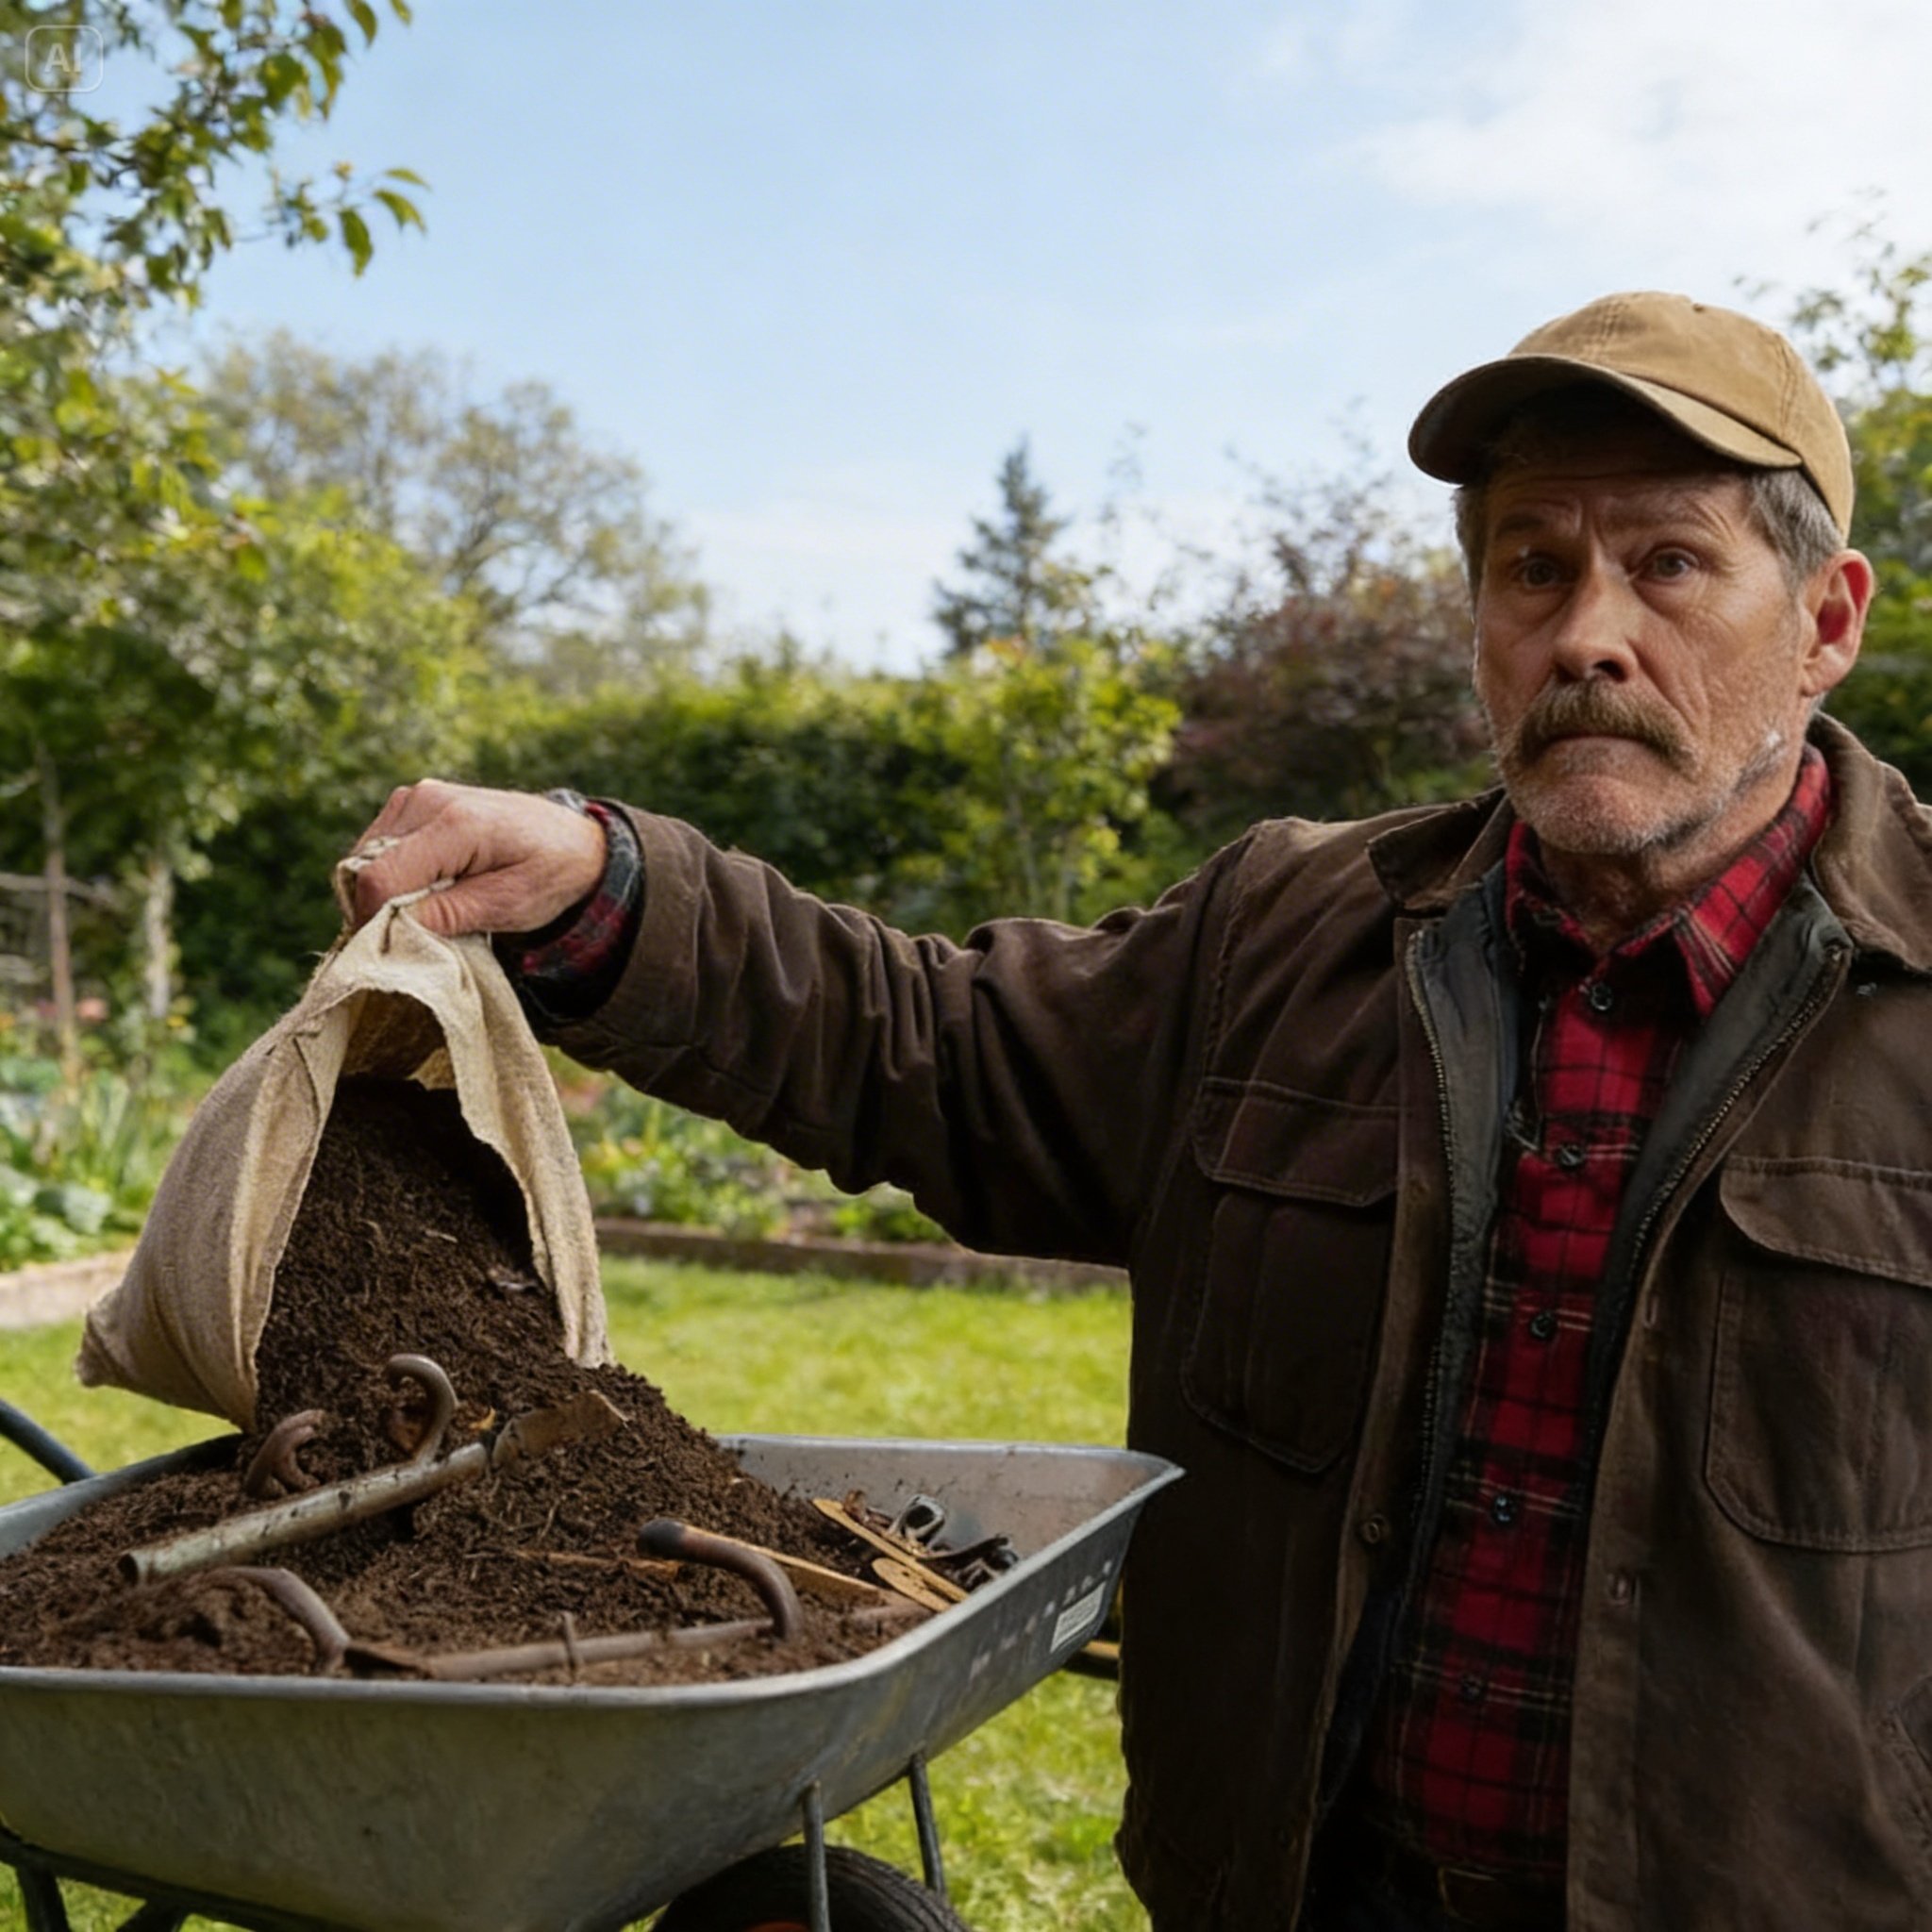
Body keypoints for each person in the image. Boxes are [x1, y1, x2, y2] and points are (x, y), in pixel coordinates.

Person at [344, 291, 1932, 1932]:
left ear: (1824, 622)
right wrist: (608, 888)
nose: (1588, 629)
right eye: (1534, 566)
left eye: (1669, 564)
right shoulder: (1286, 936)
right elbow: (935, 1046)